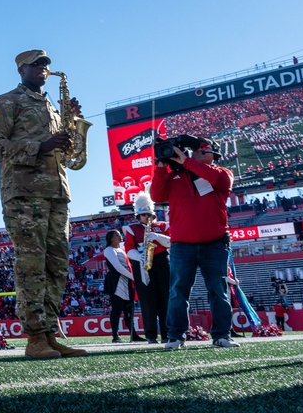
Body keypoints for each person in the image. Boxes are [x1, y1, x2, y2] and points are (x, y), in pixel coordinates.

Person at [0, 49, 87, 360]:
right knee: (32, 265)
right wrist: (39, 146)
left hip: (57, 192)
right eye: (36, 65)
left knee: (57, 265)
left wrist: (73, 125)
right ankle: (34, 336)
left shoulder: (53, 108)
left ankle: (50, 332)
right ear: (21, 69)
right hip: (24, 193)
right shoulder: (7, 101)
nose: (43, 69)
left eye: (46, 65)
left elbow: (69, 156)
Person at [150, 137, 238, 349]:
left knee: (218, 291)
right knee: (178, 292)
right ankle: (176, 336)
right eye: (194, 151)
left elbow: (220, 181)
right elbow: (156, 195)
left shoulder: (222, 173)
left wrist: (186, 161)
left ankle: (221, 335)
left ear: (211, 156)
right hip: (182, 245)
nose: (195, 153)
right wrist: (161, 168)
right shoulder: (176, 176)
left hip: (214, 243)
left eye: (200, 151)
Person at [123, 192, 170, 344]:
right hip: (142, 264)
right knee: (148, 301)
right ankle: (151, 335)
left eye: (148, 214)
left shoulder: (162, 225)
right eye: (143, 215)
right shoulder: (132, 228)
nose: (146, 217)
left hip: (162, 261)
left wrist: (158, 237)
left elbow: (171, 243)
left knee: (166, 298)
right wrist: (139, 256)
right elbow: (129, 248)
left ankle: (167, 333)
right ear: (138, 216)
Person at [102, 230, 138, 343]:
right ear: (111, 238)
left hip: (127, 281)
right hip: (117, 282)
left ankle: (133, 334)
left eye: (119, 234)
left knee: (129, 309)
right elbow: (118, 267)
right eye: (117, 235)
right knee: (117, 309)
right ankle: (115, 335)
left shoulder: (121, 249)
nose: (120, 236)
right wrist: (133, 277)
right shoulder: (109, 250)